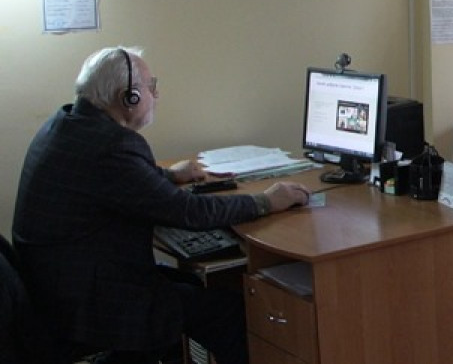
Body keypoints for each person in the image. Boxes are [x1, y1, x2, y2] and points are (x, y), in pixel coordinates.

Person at [13, 46, 312, 364]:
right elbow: (188, 212)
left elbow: (112, 181)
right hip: (90, 303)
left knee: (191, 286)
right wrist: (265, 201)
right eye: (150, 86)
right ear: (128, 97)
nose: (156, 94)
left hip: (57, 289)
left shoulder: (65, 124)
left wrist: (168, 175)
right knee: (229, 314)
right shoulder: (113, 146)